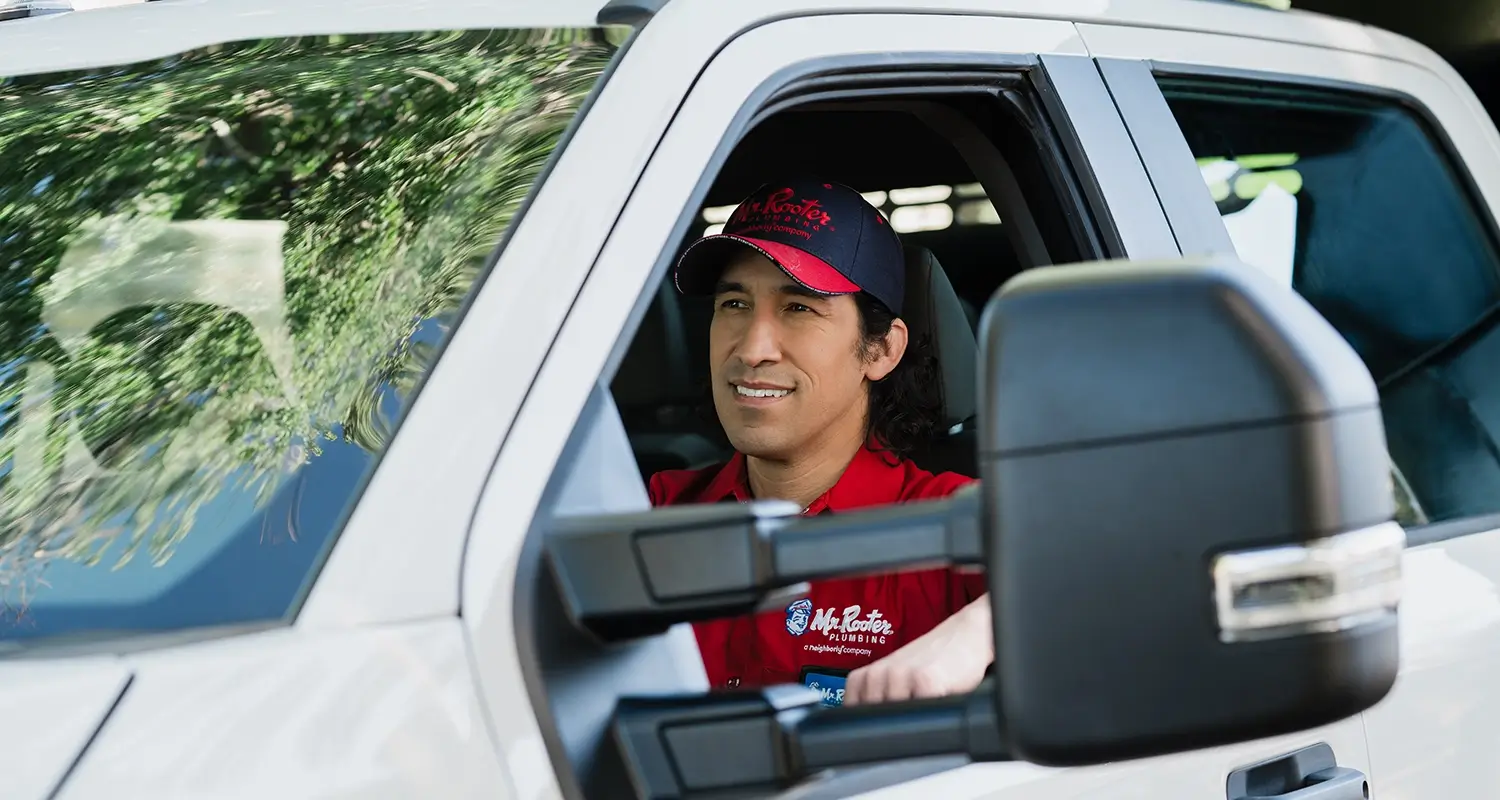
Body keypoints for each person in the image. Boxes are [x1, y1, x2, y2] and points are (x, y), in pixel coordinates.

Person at [648, 177, 993, 707]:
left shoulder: (951, 525)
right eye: (734, 304)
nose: (753, 348)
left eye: (799, 308)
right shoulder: (657, 510)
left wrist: (976, 632)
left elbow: (1125, 579)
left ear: (881, 349)